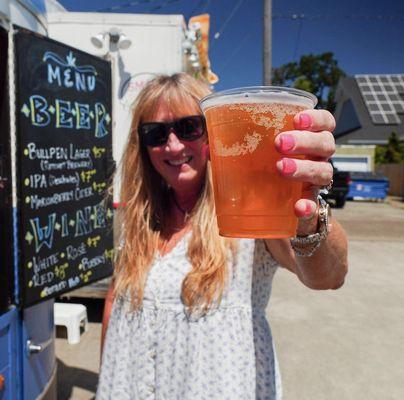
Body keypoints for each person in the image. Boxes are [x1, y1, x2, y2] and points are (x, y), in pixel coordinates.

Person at [96, 73, 348, 400]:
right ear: (141, 146)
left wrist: (309, 214)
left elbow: (329, 276)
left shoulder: (249, 212)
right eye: (156, 133)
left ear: (213, 132)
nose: (173, 145)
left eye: (189, 128)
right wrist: (108, 377)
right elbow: (117, 297)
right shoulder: (139, 217)